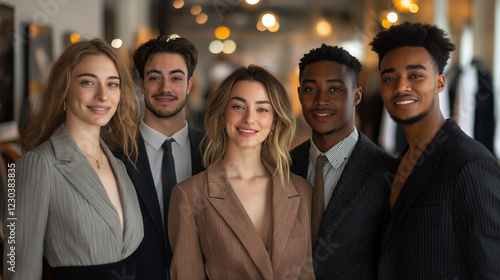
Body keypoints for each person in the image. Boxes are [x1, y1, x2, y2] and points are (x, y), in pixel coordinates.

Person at [3, 38, 143, 279]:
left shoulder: (118, 164)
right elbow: (18, 270)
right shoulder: (34, 166)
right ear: (64, 89)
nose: (102, 95)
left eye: (112, 84)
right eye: (88, 82)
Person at [370, 21, 500, 279]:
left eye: (415, 75)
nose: (401, 87)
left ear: (440, 83)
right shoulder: (398, 162)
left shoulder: (471, 163)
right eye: (390, 78)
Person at [168, 65, 315, 279]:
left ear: (274, 121)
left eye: (262, 109)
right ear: (221, 115)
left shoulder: (302, 190)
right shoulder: (189, 195)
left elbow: (306, 274)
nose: (249, 119)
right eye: (238, 107)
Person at [290, 44, 398, 279]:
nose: (320, 100)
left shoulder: (387, 173)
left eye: (335, 89)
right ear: (299, 94)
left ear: (357, 95)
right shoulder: (281, 165)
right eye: (310, 89)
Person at [114, 35, 204, 280]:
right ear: (141, 84)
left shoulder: (215, 152)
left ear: (189, 85)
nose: (166, 88)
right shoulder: (114, 156)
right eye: (155, 78)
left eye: (176, 78)